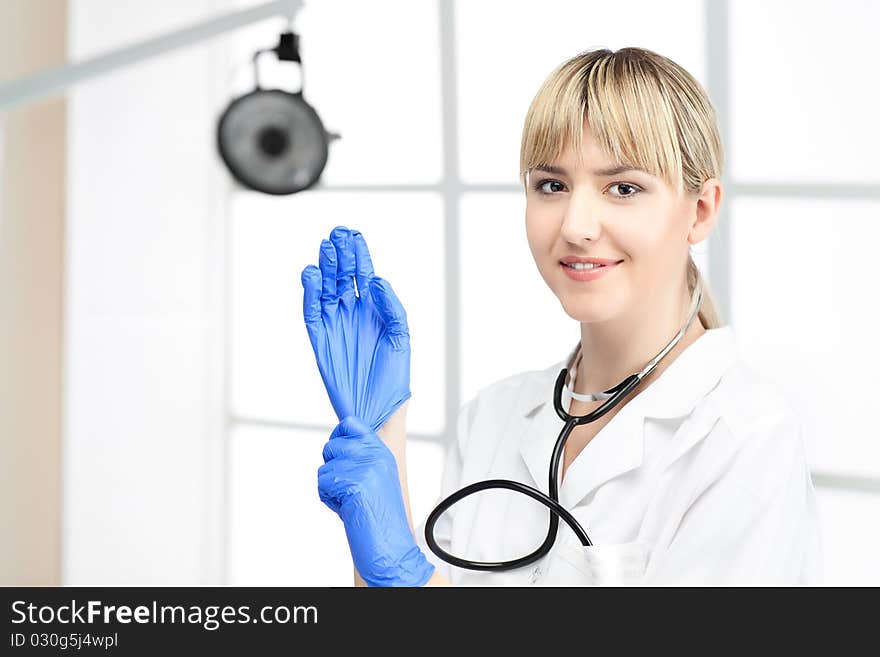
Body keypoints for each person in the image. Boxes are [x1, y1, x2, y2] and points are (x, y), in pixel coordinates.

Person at [301, 46, 822, 587]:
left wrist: (405, 574)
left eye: (624, 188)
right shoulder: (494, 417)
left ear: (701, 210)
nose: (576, 225)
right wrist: (385, 440)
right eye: (551, 185)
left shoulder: (744, 438)